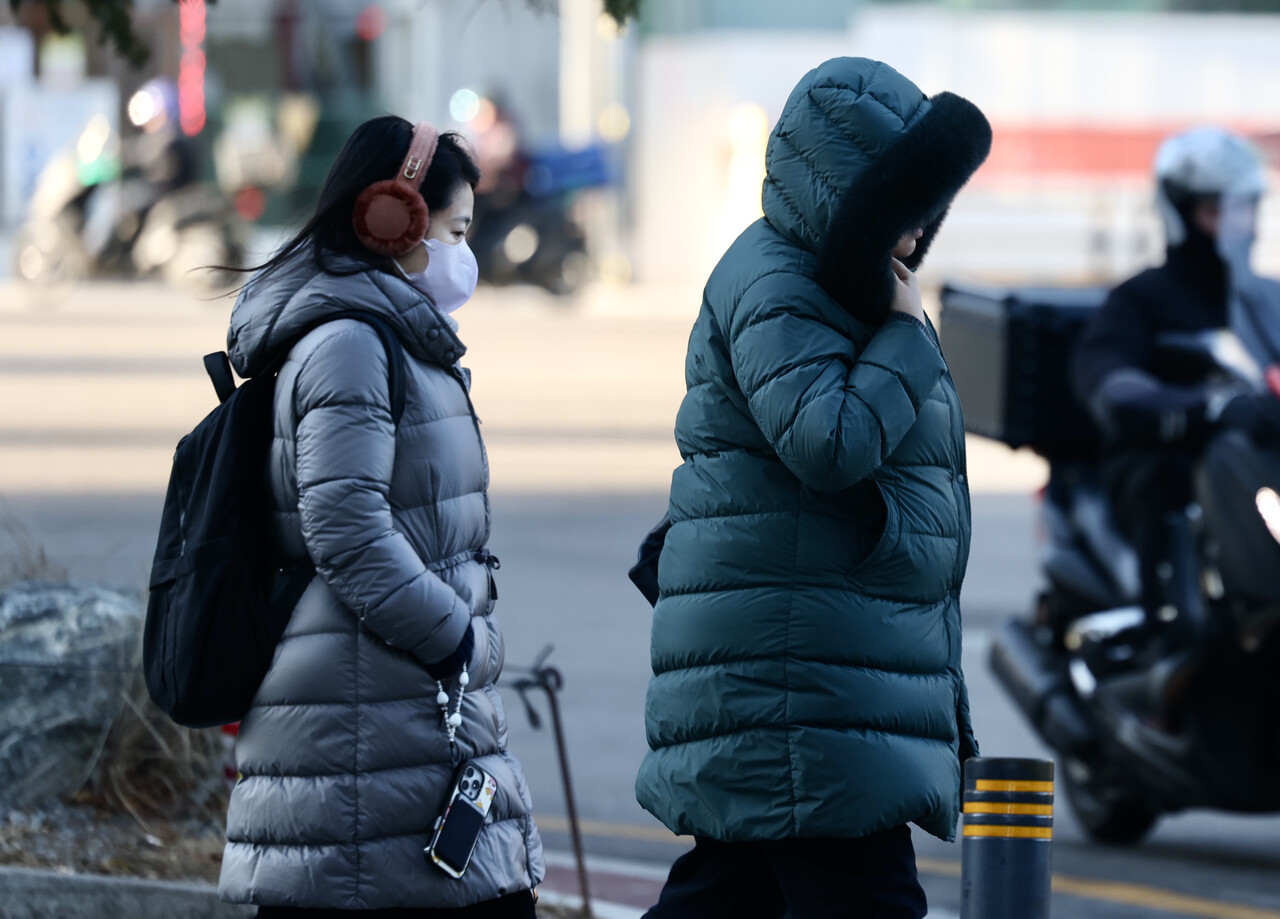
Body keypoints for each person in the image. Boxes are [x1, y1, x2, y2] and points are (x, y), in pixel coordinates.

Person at [635, 58, 992, 918]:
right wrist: (907, 341)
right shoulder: (777, 284)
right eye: (901, 205)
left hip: (817, 666)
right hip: (806, 684)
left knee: (730, 896)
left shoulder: (850, 286)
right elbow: (829, 440)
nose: (916, 230)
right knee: (865, 899)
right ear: (848, 193)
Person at [216, 116, 544, 917]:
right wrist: (459, 638)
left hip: (401, 726)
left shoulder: (395, 337)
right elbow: (349, 533)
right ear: (395, 217)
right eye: (458, 230)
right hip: (369, 739)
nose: (468, 254)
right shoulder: (351, 346)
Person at [1073, 127, 1280, 648]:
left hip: (1257, 471)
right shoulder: (1141, 300)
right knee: (1166, 481)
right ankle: (1166, 641)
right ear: (1181, 213)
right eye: (1219, 211)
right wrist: (1209, 408)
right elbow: (1110, 385)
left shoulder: (1267, 300)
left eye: (1245, 208)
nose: (1239, 224)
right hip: (1176, 470)